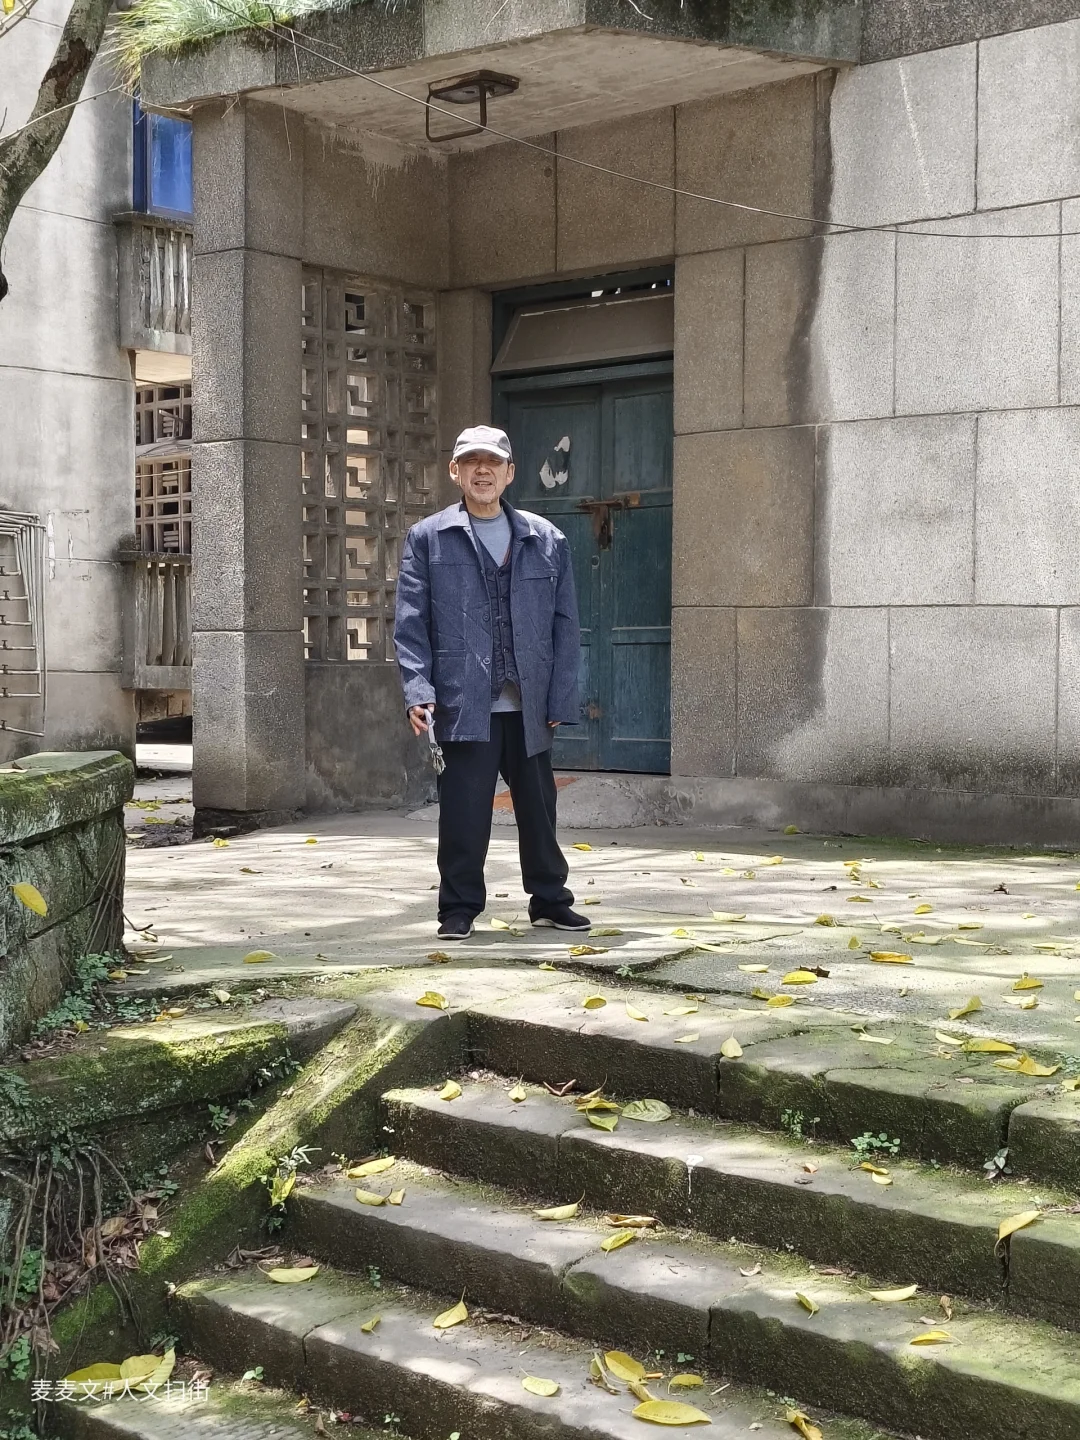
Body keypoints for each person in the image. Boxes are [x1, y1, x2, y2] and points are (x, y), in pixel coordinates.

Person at [393, 424, 590, 940]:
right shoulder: (428, 538)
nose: (482, 470)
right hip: (462, 702)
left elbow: (566, 624)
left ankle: (550, 901)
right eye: (471, 461)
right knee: (463, 814)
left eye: (493, 462)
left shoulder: (547, 539)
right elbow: (411, 623)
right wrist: (418, 691)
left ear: (509, 473)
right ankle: (458, 908)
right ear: (455, 471)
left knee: (539, 811)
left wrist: (560, 697)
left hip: (529, 703)